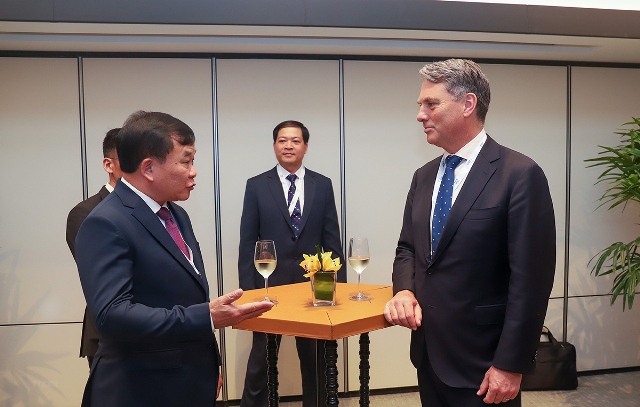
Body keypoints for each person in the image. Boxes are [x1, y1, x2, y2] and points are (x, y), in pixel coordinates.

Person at [383, 59, 555, 407]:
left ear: (468, 104)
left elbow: (531, 282)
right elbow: (408, 248)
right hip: (429, 355)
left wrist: (510, 364)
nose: (420, 115)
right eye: (420, 105)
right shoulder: (424, 176)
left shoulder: (519, 174)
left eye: (431, 104)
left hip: (486, 364)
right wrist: (404, 290)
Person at [75, 111, 273, 407]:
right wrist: (207, 317)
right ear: (149, 168)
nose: (193, 172)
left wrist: (211, 364)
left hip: (188, 379)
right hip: (141, 388)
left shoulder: (175, 214)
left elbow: (188, 296)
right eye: (186, 161)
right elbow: (112, 316)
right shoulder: (106, 222)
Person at [238, 120, 344, 407]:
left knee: (314, 359)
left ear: (305, 146)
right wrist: (248, 291)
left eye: (295, 141)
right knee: (261, 359)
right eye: (282, 140)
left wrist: (338, 287)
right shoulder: (257, 185)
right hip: (268, 287)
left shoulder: (322, 184)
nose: (288, 146)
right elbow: (247, 243)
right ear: (274, 145)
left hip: (313, 288)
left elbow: (331, 238)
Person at [66, 127, 122, 368]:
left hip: (164, 333)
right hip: (110, 337)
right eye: (130, 160)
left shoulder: (163, 211)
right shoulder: (86, 213)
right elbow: (103, 278)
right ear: (109, 165)